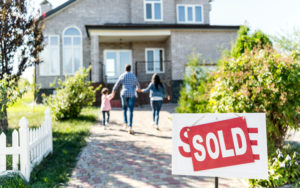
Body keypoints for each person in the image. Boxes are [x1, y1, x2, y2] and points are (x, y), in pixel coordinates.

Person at [112, 64, 140, 134]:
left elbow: (117, 84)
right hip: (131, 94)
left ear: (125, 69)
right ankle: (130, 126)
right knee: (130, 110)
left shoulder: (122, 75)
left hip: (124, 94)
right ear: (130, 69)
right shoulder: (133, 76)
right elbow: (137, 84)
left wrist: (113, 91)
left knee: (124, 109)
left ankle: (125, 123)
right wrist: (138, 89)